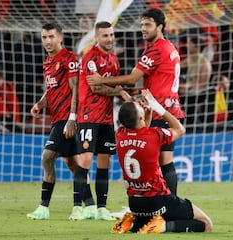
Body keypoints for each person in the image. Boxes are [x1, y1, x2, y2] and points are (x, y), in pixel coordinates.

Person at [87, 8, 185, 196]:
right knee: (165, 160)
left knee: (157, 161)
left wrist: (102, 80)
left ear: (160, 27)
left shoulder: (156, 50)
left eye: (148, 25)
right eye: (142, 25)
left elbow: (133, 78)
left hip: (159, 109)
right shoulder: (169, 47)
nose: (143, 28)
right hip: (170, 108)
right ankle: (166, 202)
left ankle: (163, 203)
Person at [111, 89, 213, 234]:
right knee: (206, 224)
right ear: (140, 117)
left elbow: (141, 130)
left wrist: (147, 112)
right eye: (139, 107)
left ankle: (134, 224)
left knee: (145, 219)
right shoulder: (154, 135)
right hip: (158, 200)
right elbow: (180, 129)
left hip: (135, 203)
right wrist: (156, 106)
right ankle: (163, 227)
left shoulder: (121, 134)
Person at [26, 22, 94, 220]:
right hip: (57, 117)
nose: (47, 41)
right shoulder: (48, 62)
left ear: (60, 37)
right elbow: (52, 89)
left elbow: (76, 90)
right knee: (73, 164)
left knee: (47, 157)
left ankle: (43, 208)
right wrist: (39, 104)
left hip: (68, 118)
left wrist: (72, 119)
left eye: (51, 37)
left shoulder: (69, 59)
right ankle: (89, 206)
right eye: (44, 37)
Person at [70, 21, 131, 221]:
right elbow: (96, 88)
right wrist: (119, 91)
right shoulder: (89, 58)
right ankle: (77, 207)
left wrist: (121, 91)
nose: (110, 39)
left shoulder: (114, 60)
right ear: (96, 37)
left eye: (112, 35)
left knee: (104, 162)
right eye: (105, 35)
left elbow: (110, 85)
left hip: (106, 118)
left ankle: (101, 208)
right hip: (88, 116)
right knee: (85, 160)